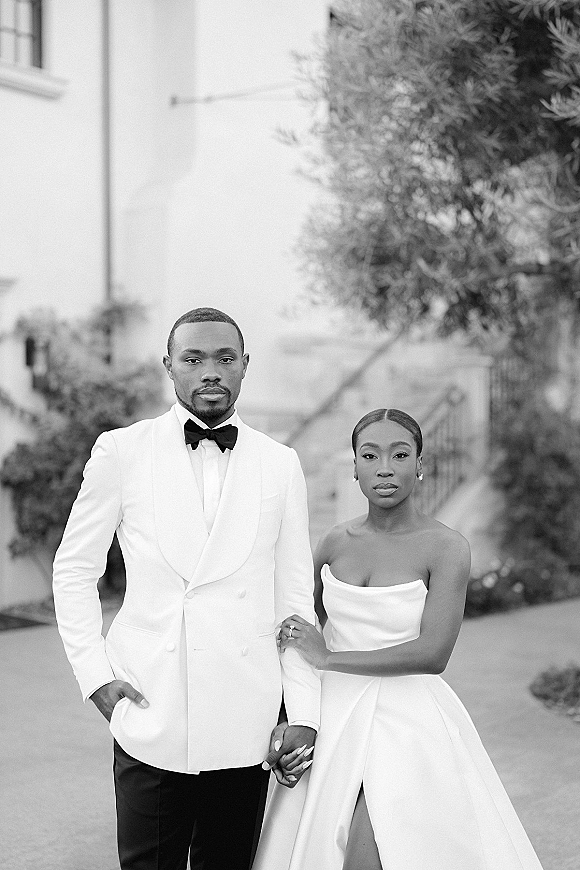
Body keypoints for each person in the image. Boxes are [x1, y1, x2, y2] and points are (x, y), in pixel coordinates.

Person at [52, 307, 320, 870]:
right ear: (169, 368)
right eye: (193, 359)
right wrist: (94, 675)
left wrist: (304, 710)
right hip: (152, 710)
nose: (210, 372)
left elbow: (294, 597)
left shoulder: (280, 464)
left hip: (243, 717)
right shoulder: (122, 452)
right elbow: (75, 568)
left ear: (246, 366)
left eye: (225, 358)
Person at [253, 408, 544, 870]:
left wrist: (327, 657)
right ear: (354, 467)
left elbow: (433, 654)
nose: (384, 466)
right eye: (369, 455)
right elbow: (293, 638)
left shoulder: (446, 546)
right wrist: (290, 717)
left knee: (376, 850)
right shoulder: (333, 543)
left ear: (419, 465)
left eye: (399, 454)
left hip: (407, 722)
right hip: (333, 717)